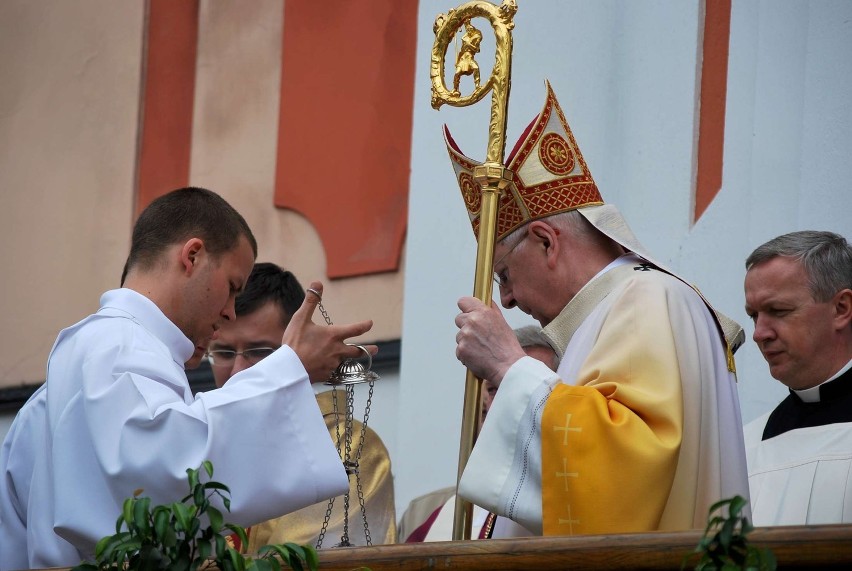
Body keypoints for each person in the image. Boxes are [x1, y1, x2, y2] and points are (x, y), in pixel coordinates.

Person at [0, 187, 375, 570]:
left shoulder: (51, 393)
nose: (230, 312)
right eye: (232, 287)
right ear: (192, 256)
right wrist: (290, 366)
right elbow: (171, 473)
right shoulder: (118, 345)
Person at [447, 82, 750, 536]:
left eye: (504, 275)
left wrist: (510, 366)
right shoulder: (609, 314)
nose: (506, 299)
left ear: (547, 242)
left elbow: (629, 464)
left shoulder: (649, 301)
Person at [205, 262, 396, 548]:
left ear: (299, 351)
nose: (237, 372)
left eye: (259, 353)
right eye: (224, 352)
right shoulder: (203, 438)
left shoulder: (346, 445)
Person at [398, 326, 556, 542]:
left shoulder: (571, 505)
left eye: (530, 387)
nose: (504, 400)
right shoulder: (425, 513)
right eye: (493, 389)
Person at [742, 231, 852, 525]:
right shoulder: (746, 445)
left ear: (841, 308)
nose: (759, 333)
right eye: (754, 315)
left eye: (778, 310)